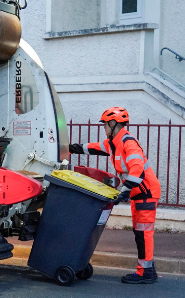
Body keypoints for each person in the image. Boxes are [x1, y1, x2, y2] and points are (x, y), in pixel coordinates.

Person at [69, 107, 161, 284]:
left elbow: (137, 168)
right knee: (140, 232)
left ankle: (145, 273)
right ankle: (148, 270)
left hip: (145, 192)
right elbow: (92, 147)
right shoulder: (113, 142)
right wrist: (69, 148)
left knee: (143, 233)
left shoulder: (128, 142)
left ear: (113, 124)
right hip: (139, 193)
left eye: (105, 124)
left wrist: (124, 190)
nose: (104, 127)